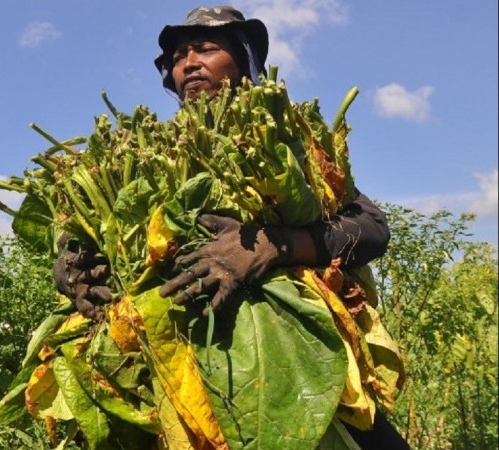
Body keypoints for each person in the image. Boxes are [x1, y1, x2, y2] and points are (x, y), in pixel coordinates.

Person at [53, 6, 408, 449]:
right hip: (175, 365)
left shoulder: (285, 136)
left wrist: (270, 247)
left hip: (289, 356)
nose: (189, 62)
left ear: (243, 61)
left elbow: (371, 228)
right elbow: (82, 231)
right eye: (179, 55)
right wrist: (69, 267)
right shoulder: (144, 149)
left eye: (205, 48)